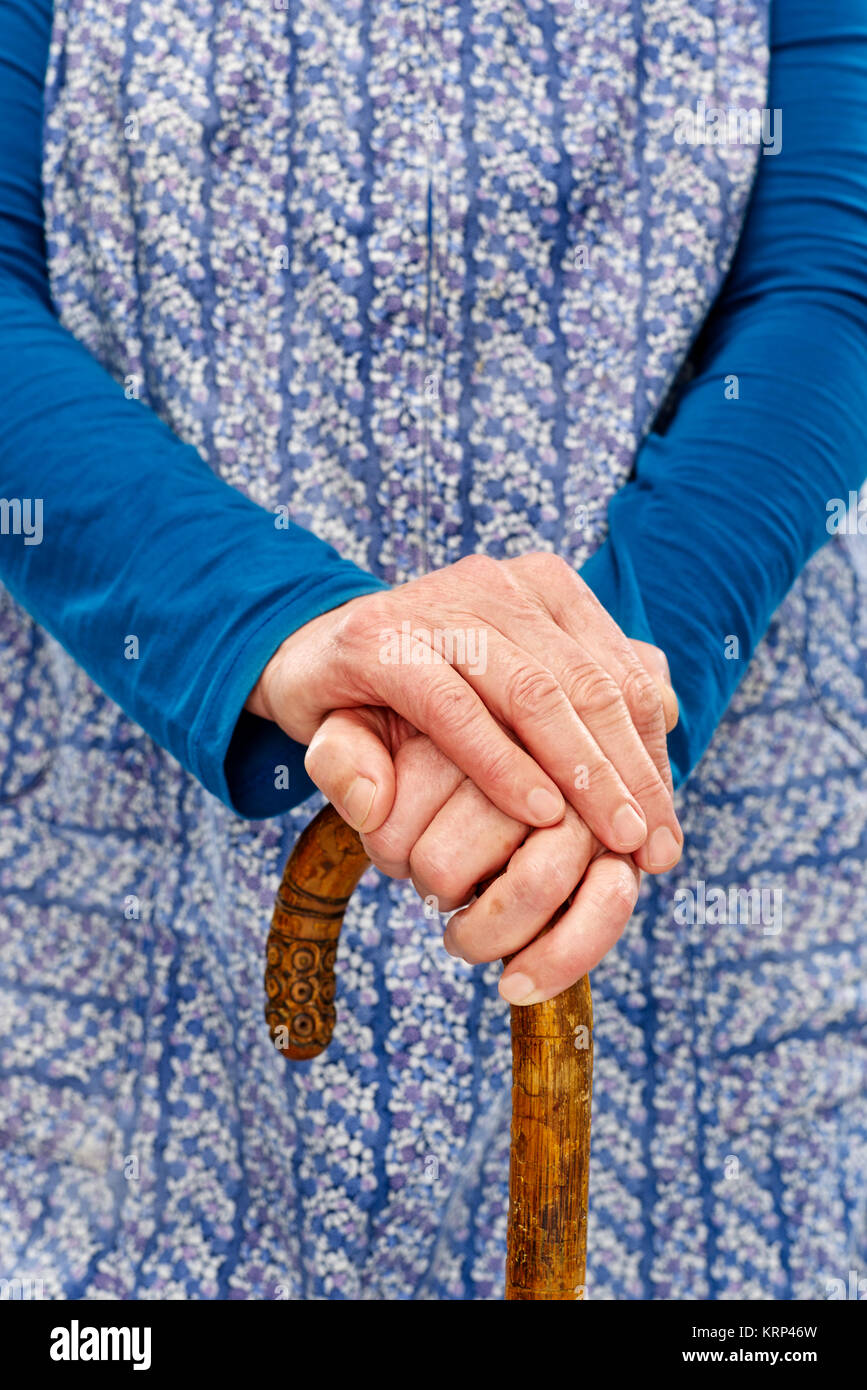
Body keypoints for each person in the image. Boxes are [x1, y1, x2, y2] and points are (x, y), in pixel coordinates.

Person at [0, 0, 865, 1300]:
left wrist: (584, 712)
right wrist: (277, 621)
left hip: (692, 891)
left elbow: (833, 278)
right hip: (129, 913)